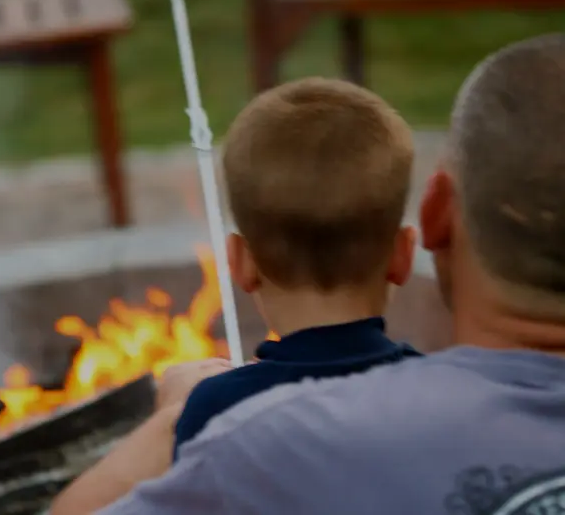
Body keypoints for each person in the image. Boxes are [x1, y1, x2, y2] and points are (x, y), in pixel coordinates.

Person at [83, 34, 565, 514]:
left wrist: (171, 421)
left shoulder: (254, 441)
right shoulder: (416, 386)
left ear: (436, 214)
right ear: (402, 253)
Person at [51, 77, 420, 514]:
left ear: (240, 262)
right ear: (403, 255)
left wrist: (169, 421)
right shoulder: (436, 390)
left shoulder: (218, 410)